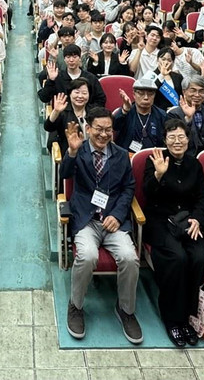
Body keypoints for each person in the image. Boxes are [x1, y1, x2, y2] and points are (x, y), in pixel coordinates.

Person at [61, 107, 143, 345]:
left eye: (108, 130)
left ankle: (126, 310)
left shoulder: (121, 155)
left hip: (113, 221)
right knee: (87, 256)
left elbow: (128, 188)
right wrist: (72, 151)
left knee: (129, 258)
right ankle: (76, 306)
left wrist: (117, 215)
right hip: (86, 220)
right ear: (88, 129)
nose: (104, 134)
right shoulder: (79, 150)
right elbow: (64, 173)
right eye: (98, 129)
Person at [143, 119, 204, 347]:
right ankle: (172, 320)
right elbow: (147, 194)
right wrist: (158, 175)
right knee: (178, 259)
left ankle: (188, 317)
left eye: (181, 137)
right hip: (161, 221)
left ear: (188, 140)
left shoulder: (195, 164)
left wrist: (198, 219)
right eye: (171, 137)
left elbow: (202, 198)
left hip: (188, 221)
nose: (177, 141)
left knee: (199, 258)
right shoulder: (155, 160)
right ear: (164, 140)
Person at [168, 75, 204, 156]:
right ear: (184, 92)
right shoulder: (174, 114)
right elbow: (177, 140)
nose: (197, 95)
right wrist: (188, 119)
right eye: (193, 91)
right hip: (189, 156)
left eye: (201, 91)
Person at [112, 77, 167, 151]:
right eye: (141, 94)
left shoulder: (162, 115)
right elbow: (115, 127)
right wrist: (125, 110)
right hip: (127, 155)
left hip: (155, 154)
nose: (146, 97)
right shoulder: (126, 112)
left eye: (150, 94)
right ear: (134, 95)